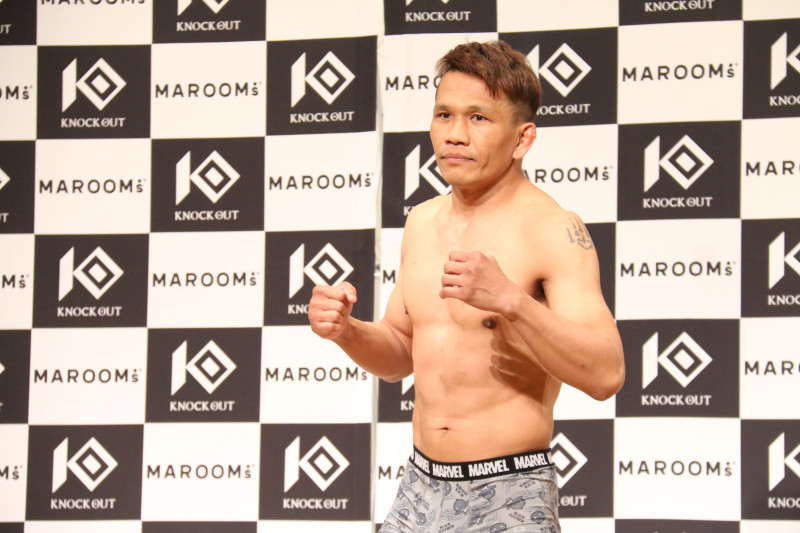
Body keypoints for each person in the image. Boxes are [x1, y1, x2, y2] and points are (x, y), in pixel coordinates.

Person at [308, 40, 625, 533]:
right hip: (418, 485)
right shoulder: (422, 221)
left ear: (522, 139)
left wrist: (513, 302)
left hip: (510, 492)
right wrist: (347, 331)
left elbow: (606, 375)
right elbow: (400, 352)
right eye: (444, 115)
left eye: (478, 118)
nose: (455, 135)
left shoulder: (553, 229)